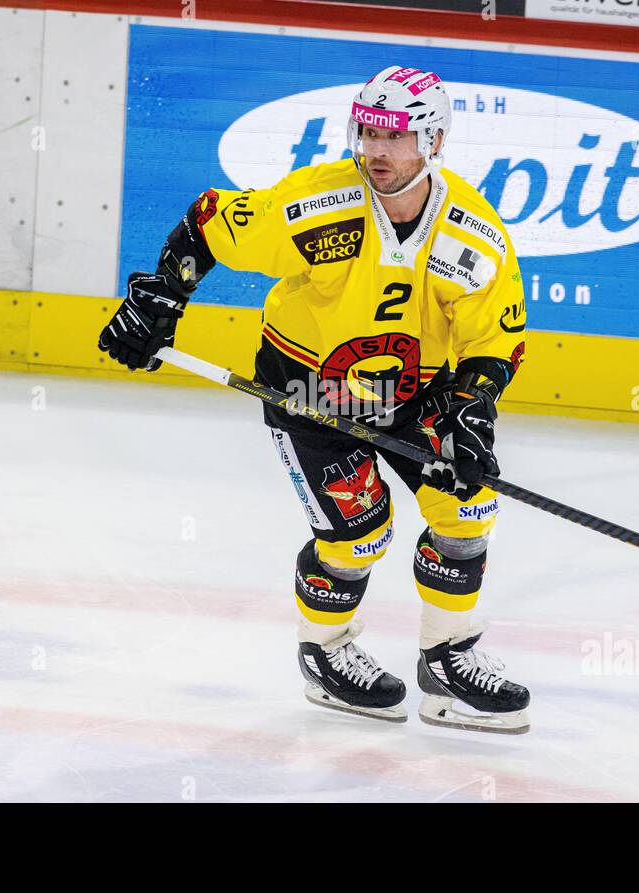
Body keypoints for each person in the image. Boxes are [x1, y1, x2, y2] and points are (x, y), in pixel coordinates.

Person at [100, 66, 530, 734]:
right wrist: (161, 296)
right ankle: (325, 653)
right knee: (359, 535)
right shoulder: (321, 205)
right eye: (368, 131)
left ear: (435, 142)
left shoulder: (471, 235)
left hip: (417, 393)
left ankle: (447, 660)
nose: (377, 150)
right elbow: (213, 221)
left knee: (467, 509)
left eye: (397, 136)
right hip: (310, 390)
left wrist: (472, 409)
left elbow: (493, 336)